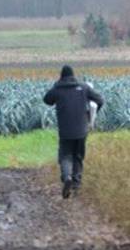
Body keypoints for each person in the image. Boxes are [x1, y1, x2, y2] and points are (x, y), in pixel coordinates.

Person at [43, 65, 106, 199]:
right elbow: (100, 100)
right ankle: (76, 186)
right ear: (73, 75)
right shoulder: (84, 87)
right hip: (81, 129)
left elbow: (47, 100)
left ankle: (67, 178)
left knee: (65, 156)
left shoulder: (57, 89)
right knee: (78, 156)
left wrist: (56, 87)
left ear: (61, 76)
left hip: (65, 130)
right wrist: (90, 115)